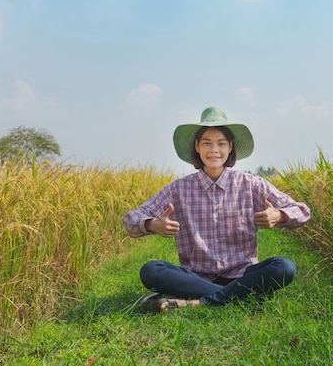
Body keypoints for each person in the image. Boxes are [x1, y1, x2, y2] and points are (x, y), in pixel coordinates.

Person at [123, 106, 310, 312]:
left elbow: (301, 211)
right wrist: (152, 224)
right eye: (207, 143)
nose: (214, 150)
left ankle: (200, 301)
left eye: (221, 143)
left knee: (284, 267)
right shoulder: (178, 189)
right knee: (151, 270)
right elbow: (132, 219)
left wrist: (279, 215)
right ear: (197, 147)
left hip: (243, 274)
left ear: (230, 147)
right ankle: (238, 296)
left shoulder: (252, 185)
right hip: (194, 276)